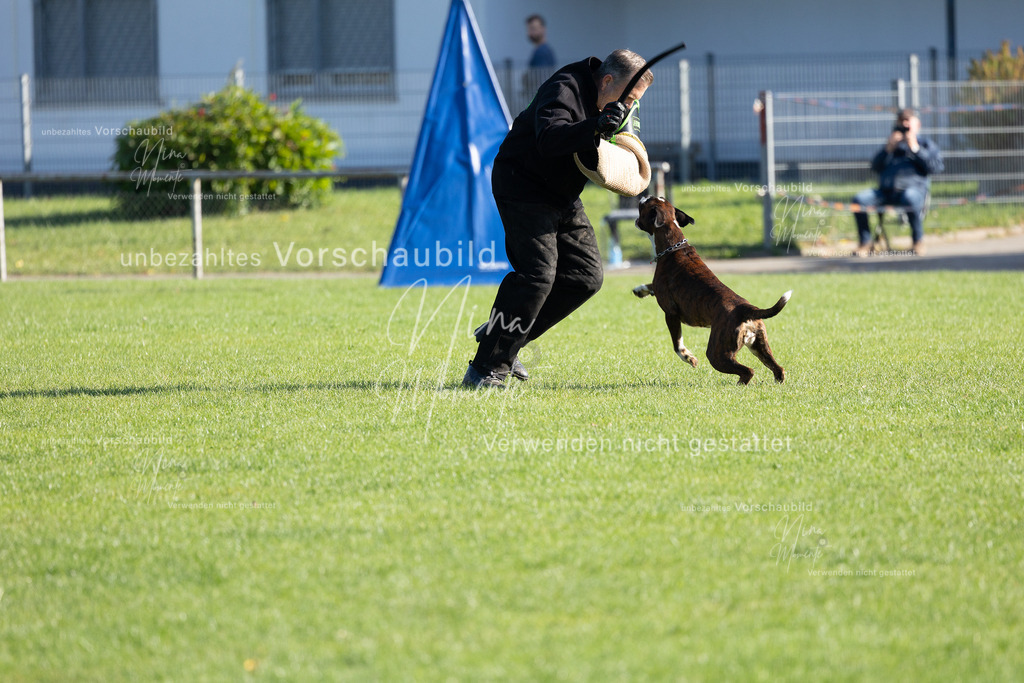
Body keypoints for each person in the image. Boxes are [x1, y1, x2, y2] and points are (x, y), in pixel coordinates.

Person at [463, 49, 652, 388]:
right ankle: (486, 368)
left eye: (635, 102)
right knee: (537, 275)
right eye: (628, 99)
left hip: (561, 193)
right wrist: (595, 125)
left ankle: (502, 338)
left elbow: (621, 142)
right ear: (607, 81)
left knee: (585, 277)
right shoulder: (564, 88)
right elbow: (549, 139)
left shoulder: (614, 101)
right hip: (523, 185)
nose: (629, 107)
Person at [853, 108, 943, 256]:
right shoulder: (892, 146)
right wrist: (887, 149)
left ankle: (918, 242)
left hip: (913, 191)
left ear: (917, 124)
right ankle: (865, 243)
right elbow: (875, 167)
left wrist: (915, 148)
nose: (904, 125)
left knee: (910, 197)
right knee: (859, 200)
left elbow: (935, 167)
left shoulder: (925, 144)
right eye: (901, 122)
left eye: (908, 122)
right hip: (886, 192)